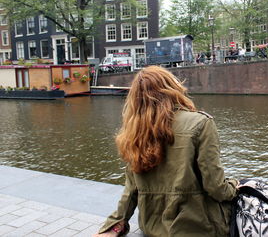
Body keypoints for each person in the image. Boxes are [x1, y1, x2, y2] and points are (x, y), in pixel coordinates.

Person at [93, 66, 237, 237]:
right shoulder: (200, 123)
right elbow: (215, 187)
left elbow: (131, 189)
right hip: (197, 226)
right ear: (171, 88)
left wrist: (115, 225)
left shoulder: (135, 131)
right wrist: (236, 187)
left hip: (153, 227)